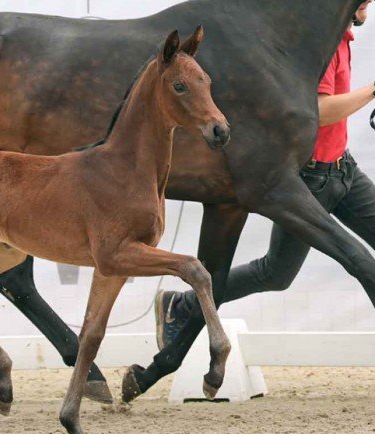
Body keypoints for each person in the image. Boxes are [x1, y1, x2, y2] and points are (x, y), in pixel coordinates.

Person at [155, 0, 375, 350]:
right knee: (276, 273)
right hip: (310, 178)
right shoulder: (326, 47)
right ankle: (181, 305)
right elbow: (321, 111)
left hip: (344, 170)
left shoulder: (343, 38)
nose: (368, 6)